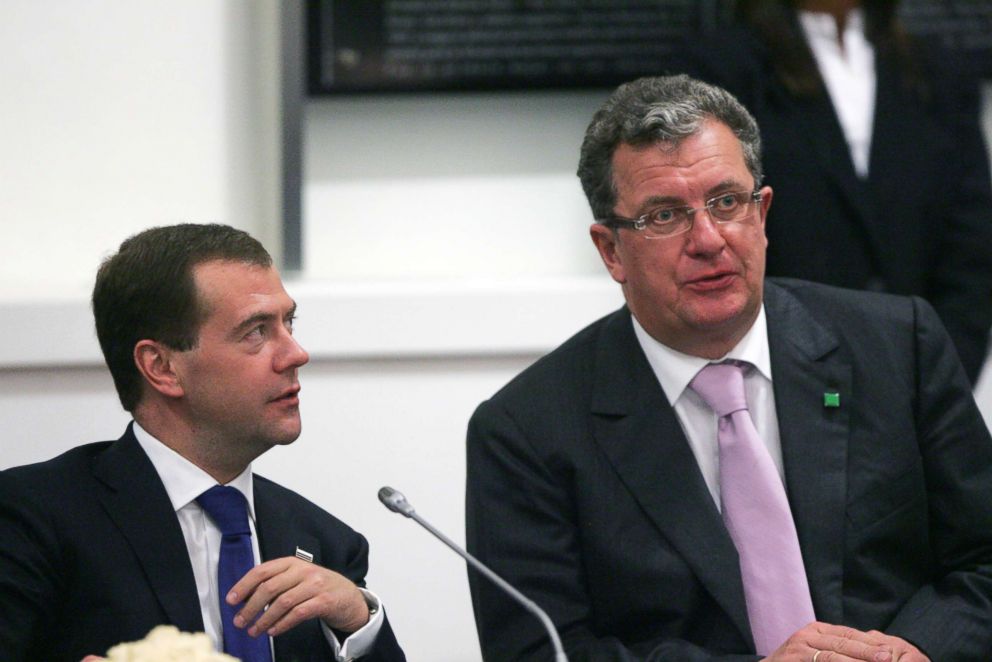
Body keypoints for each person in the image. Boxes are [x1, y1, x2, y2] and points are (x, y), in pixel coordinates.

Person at [465, 75, 992, 661]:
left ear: (761, 213)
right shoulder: (526, 432)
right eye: (664, 216)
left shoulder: (898, 346)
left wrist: (912, 653)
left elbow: (983, 562)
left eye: (726, 202)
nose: (709, 239)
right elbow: (539, 651)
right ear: (611, 250)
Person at [0, 224, 406, 662]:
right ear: (162, 367)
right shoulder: (32, 519)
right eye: (255, 331)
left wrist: (359, 619)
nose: (296, 353)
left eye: (288, 322)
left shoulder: (326, 543)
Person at [671, 0, 992, 383]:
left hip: (922, 370)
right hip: (785, 371)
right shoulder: (721, 66)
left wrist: (942, 369)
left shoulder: (936, 70)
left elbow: (971, 241)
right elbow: (719, 224)